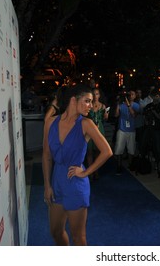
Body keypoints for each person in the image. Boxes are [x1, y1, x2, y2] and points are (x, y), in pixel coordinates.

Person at [42, 84, 113, 245]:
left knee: (78, 238)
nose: (91, 105)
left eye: (91, 101)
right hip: (56, 182)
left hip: (75, 184)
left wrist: (85, 172)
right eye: (87, 101)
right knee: (56, 232)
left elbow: (107, 151)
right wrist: (47, 185)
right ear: (74, 100)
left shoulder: (86, 124)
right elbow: (46, 156)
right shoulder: (50, 122)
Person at [114, 89, 140, 174]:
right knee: (119, 149)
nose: (130, 96)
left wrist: (129, 106)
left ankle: (130, 164)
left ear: (135, 96)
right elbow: (116, 115)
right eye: (129, 94)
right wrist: (118, 104)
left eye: (132, 94)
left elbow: (134, 115)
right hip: (122, 129)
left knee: (131, 149)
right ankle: (118, 166)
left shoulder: (136, 105)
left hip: (131, 130)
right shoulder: (121, 105)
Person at [86, 87, 109, 180]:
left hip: (99, 129)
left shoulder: (103, 106)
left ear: (99, 95)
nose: (96, 96)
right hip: (90, 129)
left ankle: (96, 171)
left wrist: (106, 116)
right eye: (94, 94)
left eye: (97, 94)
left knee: (97, 152)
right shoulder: (88, 105)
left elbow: (105, 119)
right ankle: (90, 172)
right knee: (89, 151)